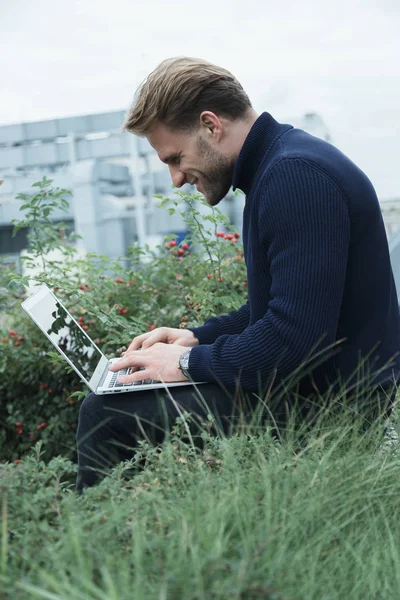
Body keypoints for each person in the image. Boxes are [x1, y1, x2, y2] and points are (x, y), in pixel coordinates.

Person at [76, 57, 400, 492]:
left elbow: (292, 343)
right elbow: (274, 311)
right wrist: (195, 337)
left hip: (330, 411)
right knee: (124, 400)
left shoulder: (295, 177)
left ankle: (100, 547)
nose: (174, 179)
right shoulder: (280, 165)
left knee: (106, 414)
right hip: (315, 392)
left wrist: (186, 364)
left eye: (175, 158)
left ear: (211, 126)